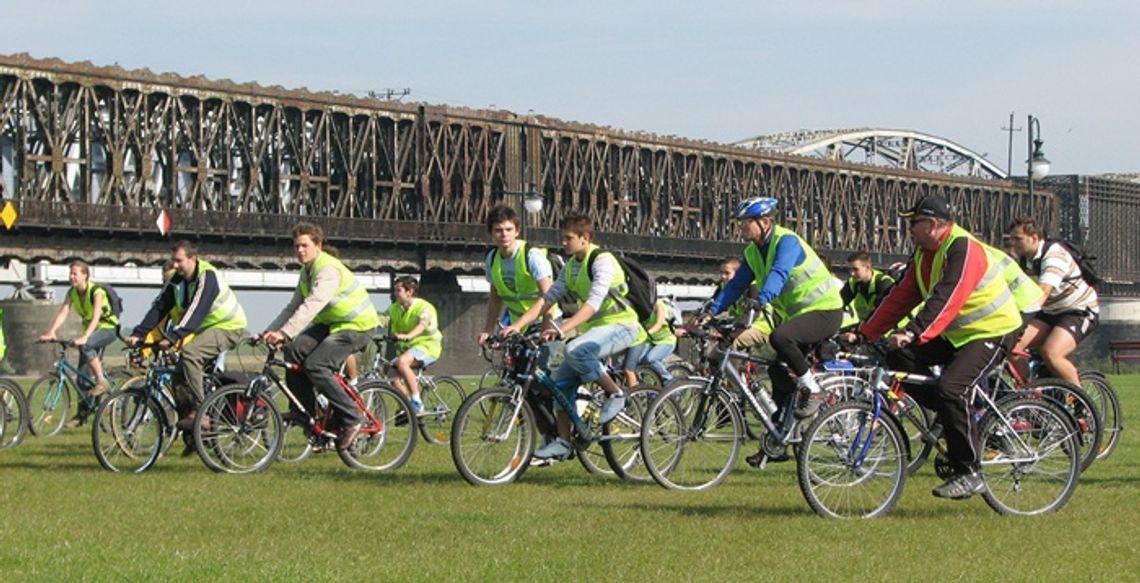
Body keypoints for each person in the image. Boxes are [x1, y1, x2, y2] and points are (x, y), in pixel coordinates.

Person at [855, 195, 1023, 500]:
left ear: (932, 225)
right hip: (959, 334)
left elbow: (948, 297)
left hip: (993, 331)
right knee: (897, 357)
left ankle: (969, 472)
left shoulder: (964, 249)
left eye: (913, 223)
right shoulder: (924, 254)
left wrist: (913, 331)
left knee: (951, 389)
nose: (909, 230)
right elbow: (901, 296)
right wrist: (863, 333)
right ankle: (954, 418)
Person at [705, 196, 844, 444]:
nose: (742, 226)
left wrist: (762, 298)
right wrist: (711, 310)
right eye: (741, 222)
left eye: (747, 221)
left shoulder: (786, 241)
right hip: (800, 316)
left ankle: (811, 389)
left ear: (766, 222)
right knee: (777, 371)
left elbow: (779, 273)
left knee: (779, 337)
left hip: (825, 311)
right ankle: (782, 435)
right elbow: (736, 285)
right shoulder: (751, 252)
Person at [502, 211, 641, 461]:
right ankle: (564, 443)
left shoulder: (602, 261)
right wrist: (518, 326)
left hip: (623, 326)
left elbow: (593, 304)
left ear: (585, 238)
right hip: (596, 331)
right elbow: (547, 299)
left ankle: (616, 393)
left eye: (568, 238)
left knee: (574, 349)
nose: (563, 243)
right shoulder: (572, 266)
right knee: (560, 386)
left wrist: (561, 330)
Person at [261, 222, 380, 449]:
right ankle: (306, 413)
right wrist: (270, 331)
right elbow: (293, 306)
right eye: (296, 246)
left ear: (318, 245)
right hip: (333, 324)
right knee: (292, 351)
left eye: (305, 245)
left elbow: (314, 304)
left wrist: (285, 332)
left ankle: (353, 417)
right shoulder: (306, 272)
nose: (300, 251)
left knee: (316, 365)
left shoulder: (328, 269)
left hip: (357, 325)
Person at [127, 242, 247, 432]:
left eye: (179, 260)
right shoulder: (177, 280)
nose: (174, 265)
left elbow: (196, 311)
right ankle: (189, 420)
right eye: (173, 260)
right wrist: (139, 333)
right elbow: (160, 307)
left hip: (228, 326)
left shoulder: (207, 276)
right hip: (205, 330)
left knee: (190, 353)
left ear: (193, 258)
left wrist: (174, 336)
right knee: (178, 373)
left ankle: (202, 411)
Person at [1007, 217, 1099, 386]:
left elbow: (1043, 292)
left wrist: (1021, 321)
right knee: (1011, 347)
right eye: (1011, 238)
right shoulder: (1024, 259)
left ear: (1034, 238)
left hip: (1078, 310)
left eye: (1018, 239)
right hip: (1050, 311)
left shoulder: (1054, 255)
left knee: (1051, 353)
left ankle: (1083, 407)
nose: (1013, 243)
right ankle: (1032, 396)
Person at [478, 203, 562, 370]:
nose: (504, 235)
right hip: (519, 324)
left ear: (517, 231)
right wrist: (488, 330)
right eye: (498, 230)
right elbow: (495, 299)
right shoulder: (492, 259)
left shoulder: (532, 256)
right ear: (491, 234)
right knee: (515, 374)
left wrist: (523, 325)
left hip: (543, 320)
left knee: (537, 373)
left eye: (509, 230)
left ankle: (573, 394)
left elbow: (548, 297)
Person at [39, 261, 119, 426]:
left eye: (75, 273)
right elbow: (63, 312)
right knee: (82, 378)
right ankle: (82, 415)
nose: (71, 277)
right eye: (70, 274)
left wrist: (85, 336)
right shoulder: (72, 292)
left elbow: (96, 316)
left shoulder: (96, 291)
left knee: (86, 346)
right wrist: (51, 331)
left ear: (85, 275)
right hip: (90, 332)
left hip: (107, 329)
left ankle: (101, 380)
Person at [383, 275, 443, 412]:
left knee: (402, 362)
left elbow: (422, 325)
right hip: (409, 349)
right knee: (391, 373)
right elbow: (383, 319)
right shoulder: (394, 308)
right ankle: (408, 405)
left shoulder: (424, 307)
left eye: (398, 290)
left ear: (409, 292)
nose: (395, 294)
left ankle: (416, 401)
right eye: (395, 290)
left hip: (428, 347)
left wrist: (408, 335)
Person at [622, 298, 678, 387]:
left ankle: (669, 380)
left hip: (666, 340)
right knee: (637, 361)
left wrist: (647, 333)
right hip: (650, 341)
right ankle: (648, 386)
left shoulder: (659, 305)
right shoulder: (639, 308)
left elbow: (659, 324)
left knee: (650, 358)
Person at [841, 251, 895, 322]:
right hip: (868, 327)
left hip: (896, 328)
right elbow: (838, 303)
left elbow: (884, 312)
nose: (852, 273)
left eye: (855, 269)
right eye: (849, 270)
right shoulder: (853, 283)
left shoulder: (883, 283)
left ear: (867, 268)